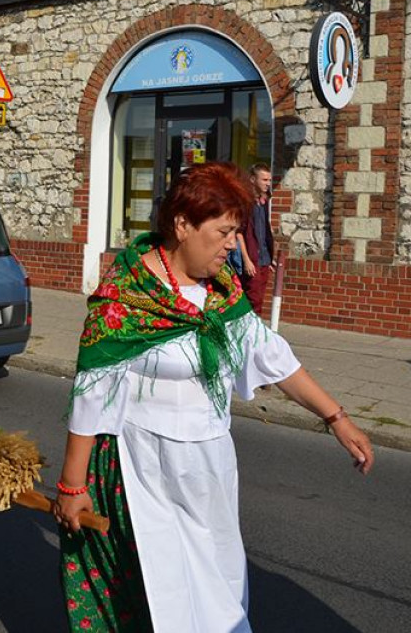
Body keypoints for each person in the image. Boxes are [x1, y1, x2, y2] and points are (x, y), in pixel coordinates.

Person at [53, 162, 374, 633]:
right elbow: (91, 396)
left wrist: (337, 418)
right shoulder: (124, 299)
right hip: (146, 471)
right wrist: (72, 486)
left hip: (210, 467)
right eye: (224, 232)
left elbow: (271, 355)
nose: (233, 244)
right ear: (182, 224)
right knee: (166, 590)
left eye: (236, 232)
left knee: (221, 585)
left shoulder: (222, 292)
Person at [238, 162, 275, 315]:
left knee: (259, 298)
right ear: (253, 180)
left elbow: (265, 229)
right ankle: (252, 332)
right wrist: (246, 260)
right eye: (264, 180)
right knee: (253, 299)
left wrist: (270, 256)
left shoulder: (264, 202)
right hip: (252, 258)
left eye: (269, 180)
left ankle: (254, 330)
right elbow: (239, 232)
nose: (268, 184)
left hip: (264, 258)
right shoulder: (245, 203)